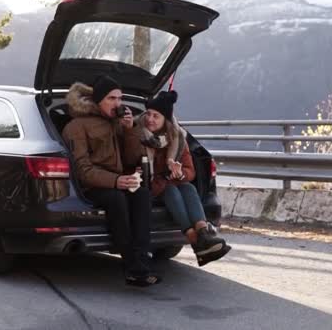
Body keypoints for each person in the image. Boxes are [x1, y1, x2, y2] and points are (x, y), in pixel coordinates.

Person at [61, 75, 161, 287]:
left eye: (119, 98)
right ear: (97, 100)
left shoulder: (116, 124)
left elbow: (131, 159)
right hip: (91, 186)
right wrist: (116, 181)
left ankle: (143, 261)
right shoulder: (76, 126)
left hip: (117, 182)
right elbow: (82, 171)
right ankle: (132, 266)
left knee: (142, 193)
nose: (118, 103)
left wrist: (130, 130)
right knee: (116, 198)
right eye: (111, 98)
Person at [123, 90, 231, 267]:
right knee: (172, 189)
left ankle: (202, 233)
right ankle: (197, 241)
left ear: (165, 119)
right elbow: (128, 159)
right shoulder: (137, 131)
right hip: (147, 185)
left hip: (169, 184)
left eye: (155, 116)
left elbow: (190, 171)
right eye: (148, 114)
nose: (149, 119)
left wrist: (179, 173)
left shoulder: (178, 137)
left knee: (188, 187)